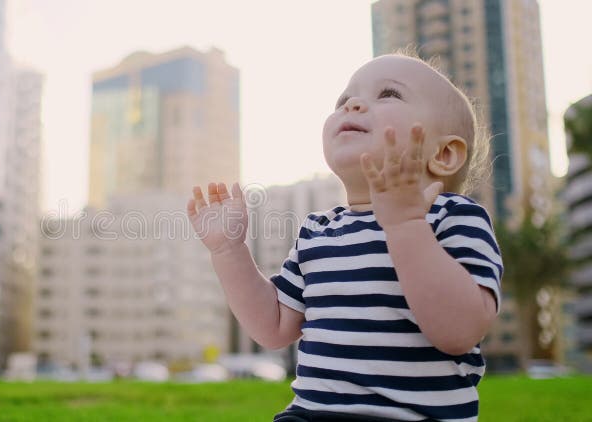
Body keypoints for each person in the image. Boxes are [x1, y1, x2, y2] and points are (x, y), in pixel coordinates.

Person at [186, 54, 502, 422]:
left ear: (444, 154)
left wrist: (405, 226)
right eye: (343, 100)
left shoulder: (453, 216)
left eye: (388, 94)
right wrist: (229, 251)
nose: (352, 104)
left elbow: (460, 332)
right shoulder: (318, 231)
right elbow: (272, 329)